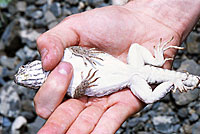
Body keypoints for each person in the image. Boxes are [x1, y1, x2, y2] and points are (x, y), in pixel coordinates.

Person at [35, 0, 200, 133]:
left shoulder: (64, 61)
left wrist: (152, 16)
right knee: (137, 56)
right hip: (133, 71)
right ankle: (170, 76)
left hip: (134, 73)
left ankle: (172, 80)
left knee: (149, 96)